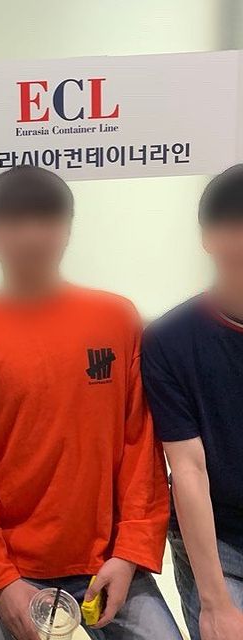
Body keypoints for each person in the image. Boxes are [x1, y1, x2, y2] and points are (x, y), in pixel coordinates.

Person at [0, 166, 182, 640]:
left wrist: (130, 554)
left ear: (66, 227)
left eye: (45, 219)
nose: (31, 235)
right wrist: (0, 581)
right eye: (13, 221)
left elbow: (140, 448)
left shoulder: (115, 319)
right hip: (8, 569)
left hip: (108, 560)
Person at [142, 165, 243, 640]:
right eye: (231, 225)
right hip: (215, 536)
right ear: (207, 238)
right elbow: (188, 469)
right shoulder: (169, 339)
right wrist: (216, 603)